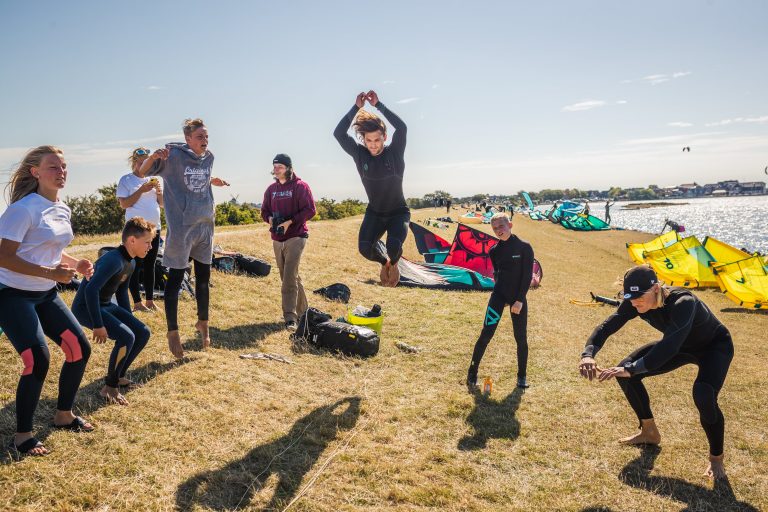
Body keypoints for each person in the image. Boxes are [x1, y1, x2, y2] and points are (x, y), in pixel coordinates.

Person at [579, 265, 733, 480]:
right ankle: (649, 432)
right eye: (629, 297)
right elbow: (607, 326)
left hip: (714, 347)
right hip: (679, 345)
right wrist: (588, 354)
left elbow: (668, 347)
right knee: (626, 373)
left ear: (655, 288)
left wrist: (632, 369)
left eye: (638, 297)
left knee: (704, 395)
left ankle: (716, 459)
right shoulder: (635, 300)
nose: (634, 303)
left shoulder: (683, 303)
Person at [0, 146, 96, 457]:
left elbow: (50, 248)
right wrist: (51, 272)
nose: (61, 171)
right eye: (53, 167)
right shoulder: (22, 210)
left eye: (64, 166)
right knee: (37, 359)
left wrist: (75, 263)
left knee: (79, 349)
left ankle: (63, 415)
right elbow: (4, 257)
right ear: (35, 172)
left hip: (45, 293)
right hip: (12, 295)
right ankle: (22, 436)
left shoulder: (62, 208)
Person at [139, 118, 229, 358]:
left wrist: (213, 181)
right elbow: (142, 171)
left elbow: (196, 181)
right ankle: (173, 332)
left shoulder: (209, 157)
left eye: (206, 137)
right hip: (182, 229)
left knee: (203, 278)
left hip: (205, 227)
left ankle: (203, 322)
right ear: (188, 138)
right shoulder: (173, 157)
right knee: (176, 279)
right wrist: (153, 157)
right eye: (200, 137)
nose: (205, 141)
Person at [71, 218, 155, 405]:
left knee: (142, 332)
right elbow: (91, 290)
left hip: (106, 304)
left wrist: (129, 318)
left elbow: (122, 290)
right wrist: (98, 324)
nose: (150, 247)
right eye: (147, 242)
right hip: (86, 307)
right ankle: (110, 387)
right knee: (126, 337)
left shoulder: (130, 261)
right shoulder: (113, 260)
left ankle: (119, 376)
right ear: (132, 240)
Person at [334, 90, 409, 287]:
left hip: (398, 213)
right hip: (375, 212)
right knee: (365, 249)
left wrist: (379, 105)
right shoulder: (360, 155)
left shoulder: (395, 152)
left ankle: (394, 262)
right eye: (368, 140)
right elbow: (338, 133)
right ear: (363, 140)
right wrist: (357, 107)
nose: (373, 145)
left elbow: (402, 127)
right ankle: (384, 263)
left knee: (393, 247)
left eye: (377, 140)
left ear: (384, 136)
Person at [467, 213, 534, 390]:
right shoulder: (494, 251)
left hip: (518, 300)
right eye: (495, 228)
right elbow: (498, 274)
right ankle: (472, 373)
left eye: (501, 227)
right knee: (486, 334)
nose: (498, 231)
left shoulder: (524, 247)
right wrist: (501, 296)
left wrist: (519, 300)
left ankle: (522, 377)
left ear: (510, 225)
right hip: (498, 297)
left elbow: (527, 276)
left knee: (521, 338)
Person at [260, 154, 316, 331]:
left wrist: (290, 222)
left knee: (289, 276)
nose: (277, 169)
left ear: (289, 168)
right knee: (289, 277)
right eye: (275, 166)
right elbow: (264, 211)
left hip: (296, 236)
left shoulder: (300, 186)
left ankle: (290, 317)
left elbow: (310, 210)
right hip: (277, 238)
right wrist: (270, 219)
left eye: (281, 167)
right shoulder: (271, 189)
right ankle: (305, 312)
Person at [117, 148, 163, 312]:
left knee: (150, 265)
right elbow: (124, 204)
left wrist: (159, 192)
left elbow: (162, 204)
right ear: (134, 162)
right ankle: (137, 303)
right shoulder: (126, 180)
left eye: (147, 161)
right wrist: (141, 190)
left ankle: (150, 301)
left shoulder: (154, 179)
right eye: (141, 161)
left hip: (154, 229)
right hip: (135, 231)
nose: (144, 164)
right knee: (134, 265)